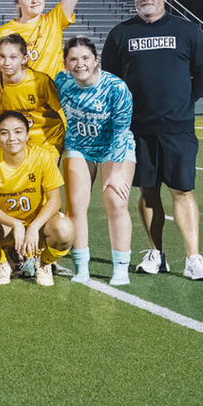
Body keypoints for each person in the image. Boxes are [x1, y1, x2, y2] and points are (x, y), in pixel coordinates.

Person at [101, 0, 203, 281]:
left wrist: (182, 101)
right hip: (137, 129)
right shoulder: (120, 34)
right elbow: (110, 80)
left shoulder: (187, 31)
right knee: (148, 192)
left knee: (182, 190)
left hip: (177, 128)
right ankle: (156, 253)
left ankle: (193, 258)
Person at [55, 36, 136, 286]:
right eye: (73, 59)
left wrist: (115, 172)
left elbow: (122, 131)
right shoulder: (61, 82)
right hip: (80, 146)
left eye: (85, 58)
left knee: (115, 199)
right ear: (66, 63)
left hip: (115, 146)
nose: (80, 64)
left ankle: (120, 268)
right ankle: (81, 267)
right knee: (76, 204)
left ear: (96, 60)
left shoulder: (116, 87)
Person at [0, 111, 74, 286]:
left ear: (27, 135)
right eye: (4, 132)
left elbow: (55, 201)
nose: (12, 138)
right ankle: (3, 263)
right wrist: (15, 223)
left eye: (18, 132)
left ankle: (44, 263)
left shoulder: (42, 156)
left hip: (37, 226)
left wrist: (34, 226)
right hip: (7, 227)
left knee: (65, 229)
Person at [0, 33, 66, 155]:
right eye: (2, 56)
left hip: (47, 141)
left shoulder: (40, 81)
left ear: (24, 58)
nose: (6, 62)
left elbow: (62, 111)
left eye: (13, 57)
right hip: (15, 144)